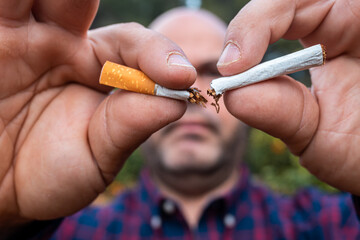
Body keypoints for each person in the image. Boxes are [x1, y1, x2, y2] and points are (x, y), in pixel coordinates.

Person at [1, 0, 360, 239]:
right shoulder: (76, 231)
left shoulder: (326, 226)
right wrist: (10, 218)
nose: (193, 92)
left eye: (209, 70)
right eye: (166, 75)